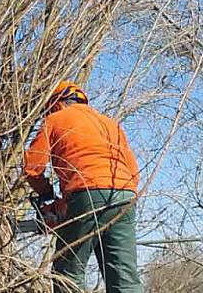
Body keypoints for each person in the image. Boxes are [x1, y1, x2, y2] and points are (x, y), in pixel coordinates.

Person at [23, 81, 143, 293]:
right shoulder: (111, 124)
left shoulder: (55, 118)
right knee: (125, 278)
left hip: (85, 191)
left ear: (56, 104)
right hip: (125, 194)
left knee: (68, 273)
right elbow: (133, 170)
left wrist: (47, 196)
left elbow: (32, 168)